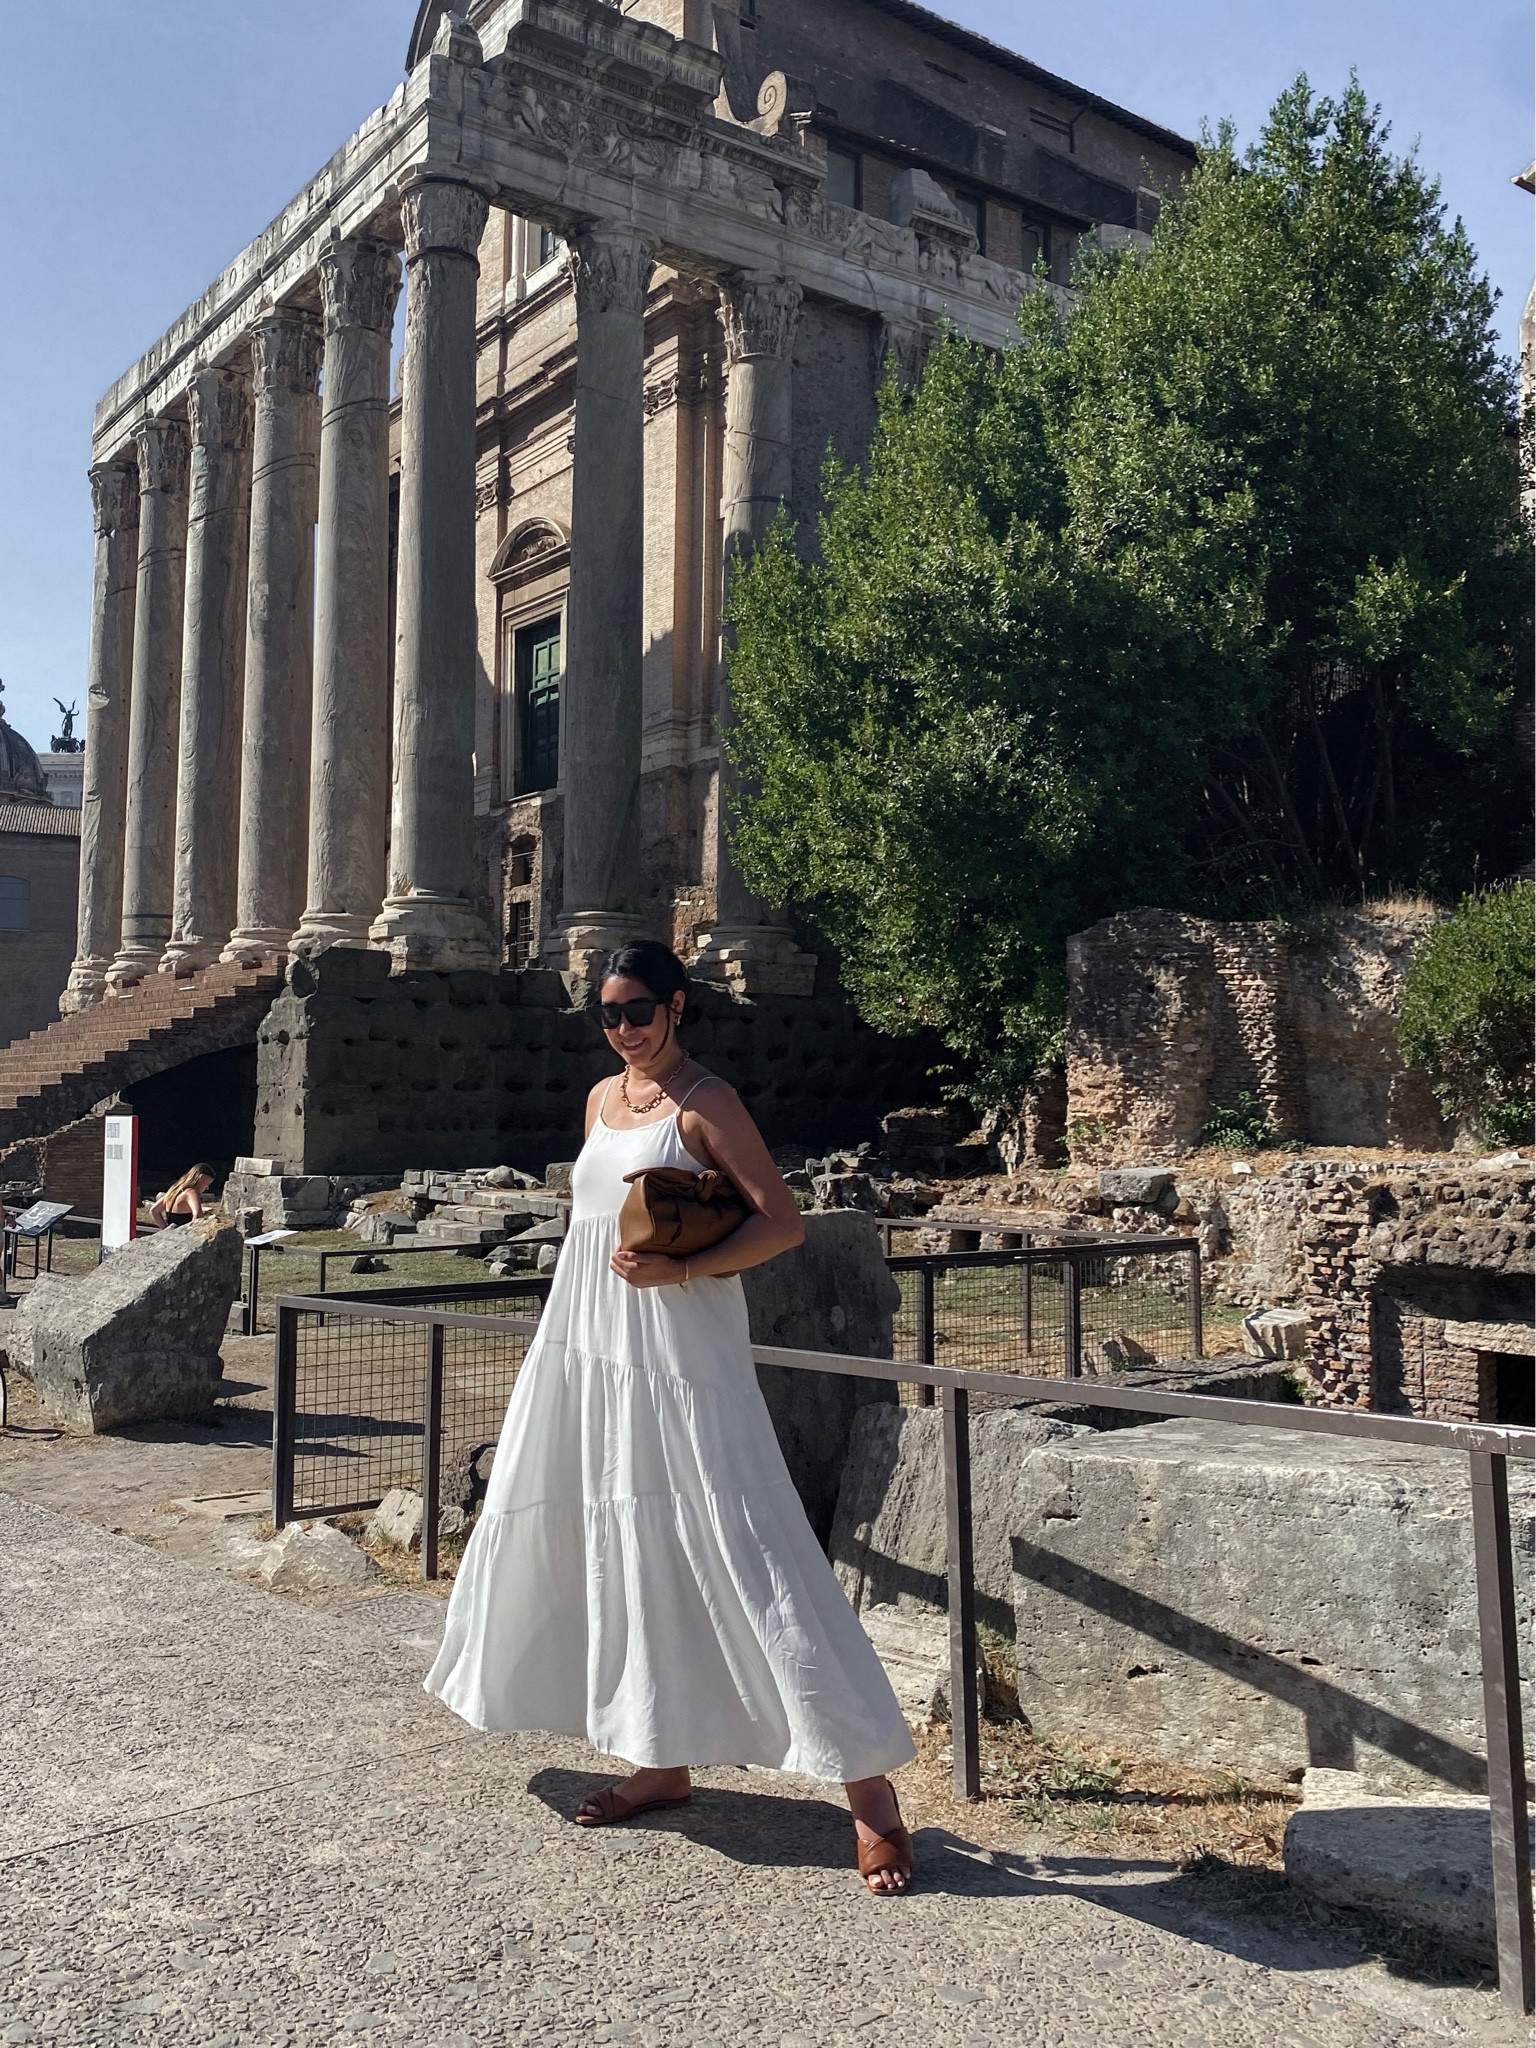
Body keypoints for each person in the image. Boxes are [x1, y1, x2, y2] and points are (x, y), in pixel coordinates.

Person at [427, 939, 918, 1894]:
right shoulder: (601, 1102)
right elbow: (589, 1231)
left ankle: (873, 1799)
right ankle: (659, 1759)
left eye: (638, 1011)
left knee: (750, 1544)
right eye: (607, 1014)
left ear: (678, 1008)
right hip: (589, 1349)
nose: (623, 1029)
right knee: (620, 1543)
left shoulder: (708, 1103)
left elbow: (782, 1222)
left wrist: (681, 1270)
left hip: (681, 1352)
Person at [148, 1163, 215, 1229]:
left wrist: (165, 1228)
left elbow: (154, 1211)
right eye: (208, 1183)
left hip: (171, 1233)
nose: (207, 1188)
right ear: (201, 1178)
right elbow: (198, 1215)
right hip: (184, 1236)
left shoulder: (174, 1191)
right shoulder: (191, 1193)